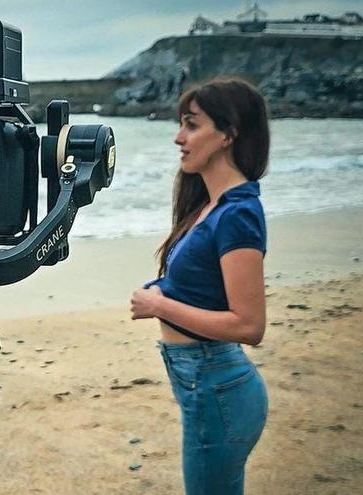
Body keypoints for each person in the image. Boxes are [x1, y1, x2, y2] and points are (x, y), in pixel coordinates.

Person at [130, 77, 270, 495]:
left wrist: (160, 307)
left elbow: (250, 326)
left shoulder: (238, 213)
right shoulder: (208, 206)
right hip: (204, 382)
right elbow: (200, 281)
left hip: (218, 384)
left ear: (228, 134)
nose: (179, 137)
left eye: (192, 125)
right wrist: (162, 290)